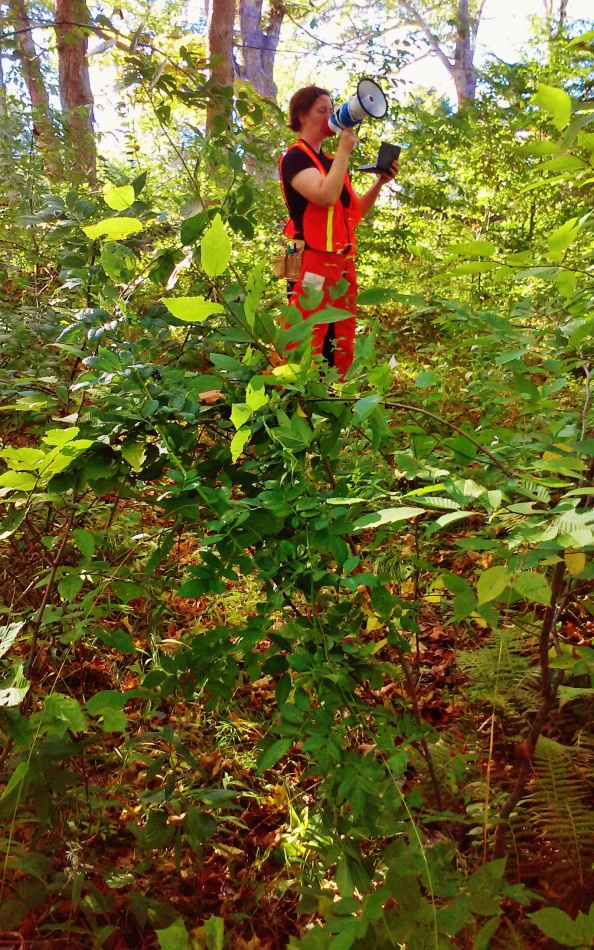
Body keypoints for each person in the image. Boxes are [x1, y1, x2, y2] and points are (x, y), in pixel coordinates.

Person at [279, 84, 399, 377]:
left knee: (338, 335)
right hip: (305, 255)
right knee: (303, 331)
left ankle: (334, 394)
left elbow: (352, 213)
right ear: (301, 116)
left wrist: (380, 183)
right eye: (321, 111)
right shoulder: (294, 157)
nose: (329, 116)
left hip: (338, 260)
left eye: (331, 110)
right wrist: (344, 151)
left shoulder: (331, 163)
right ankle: (294, 394)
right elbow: (325, 196)